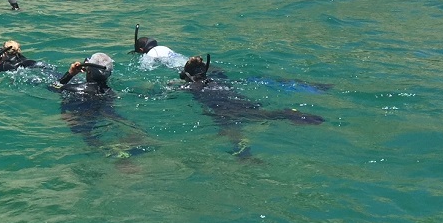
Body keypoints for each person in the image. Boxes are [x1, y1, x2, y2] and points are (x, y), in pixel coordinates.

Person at [179, 54, 324, 158]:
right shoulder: (214, 80)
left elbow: (166, 92)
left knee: (229, 128)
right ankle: (287, 114)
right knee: (264, 115)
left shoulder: (192, 87)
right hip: (239, 101)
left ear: (187, 75)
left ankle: (245, 156)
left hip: (223, 109)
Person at [50, 53, 152, 161]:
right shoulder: (112, 93)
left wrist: (70, 74)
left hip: (82, 117)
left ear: (88, 70)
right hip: (106, 112)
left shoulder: (71, 88)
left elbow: (52, 87)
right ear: (109, 74)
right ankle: (124, 152)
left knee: (85, 134)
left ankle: (111, 153)